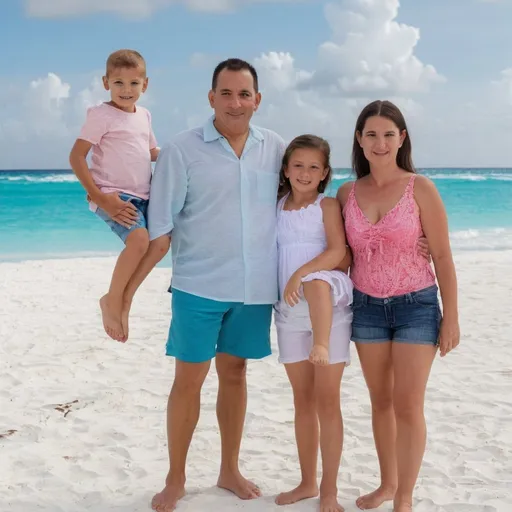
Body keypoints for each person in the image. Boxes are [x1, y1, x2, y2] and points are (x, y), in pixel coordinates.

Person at [119, 58, 286, 512]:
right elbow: (160, 228)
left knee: (236, 374)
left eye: (244, 94)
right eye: (226, 94)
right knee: (188, 381)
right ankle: (175, 479)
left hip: (255, 289)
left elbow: (301, 208)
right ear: (211, 98)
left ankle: (229, 469)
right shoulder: (181, 149)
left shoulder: (276, 148)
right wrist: (124, 294)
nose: (236, 103)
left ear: (258, 99)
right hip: (198, 285)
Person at [337, 100, 460, 512]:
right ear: (359, 139)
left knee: (408, 403)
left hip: (417, 306)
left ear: (402, 138)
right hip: (367, 307)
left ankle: (404, 496)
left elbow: (442, 256)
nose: (380, 142)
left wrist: (452, 319)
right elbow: (339, 252)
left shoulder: (419, 187)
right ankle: (387, 483)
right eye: (371, 134)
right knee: (381, 403)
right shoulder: (345, 193)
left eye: (389, 134)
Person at [273, 134, 353, 512]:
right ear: (286, 169)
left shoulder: (327, 205)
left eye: (314, 167)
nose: (305, 173)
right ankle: (307, 482)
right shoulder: (275, 207)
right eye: (298, 165)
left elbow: (338, 250)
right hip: (289, 312)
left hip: (327, 308)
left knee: (327, 402)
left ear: (324, 174)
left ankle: (330, 490)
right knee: (302, 402)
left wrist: (299, 273)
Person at [69, 49, 168, 342]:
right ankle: (114, 300)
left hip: (144, 195)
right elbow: (76, 157)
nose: (126, 90)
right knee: (138, 241)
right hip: (113, 196)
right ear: (105, 82)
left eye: (134, 84)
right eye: (118, 83)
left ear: (145, 85)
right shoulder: (100, 115)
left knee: (161, 243)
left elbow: (151, 152)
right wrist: (100, 198)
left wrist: (184, 156)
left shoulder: (145, 116)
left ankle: (124, 297)